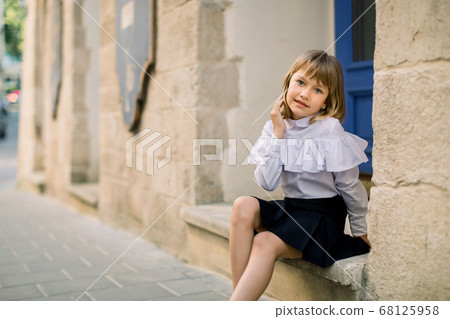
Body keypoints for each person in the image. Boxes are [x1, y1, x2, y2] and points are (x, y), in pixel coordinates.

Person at [229, 50, 371, 301]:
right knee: (243, 205)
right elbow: (266, 182)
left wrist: (361, 229)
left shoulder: (329, 129)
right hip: (293, 210)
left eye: (318, 90)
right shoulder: (275, 124)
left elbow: (349, 184)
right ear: (288, 83)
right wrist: (278, 135)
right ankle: (240, 301)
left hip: (322, 218)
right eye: (301, 82)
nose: (305, 93)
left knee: (264, 242)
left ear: (327, 101)